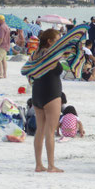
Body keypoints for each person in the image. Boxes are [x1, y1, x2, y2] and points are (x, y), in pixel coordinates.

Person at [30, 29, 65, 173]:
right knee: (50, 131)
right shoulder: (50, 54)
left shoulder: (35, 54)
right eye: (57, 39)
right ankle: (51, 165)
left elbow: (30, 72)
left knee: (40, 130)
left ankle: (39, 165)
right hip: (51, 93)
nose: (59, 42)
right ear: (50, 41)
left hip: (37, 92)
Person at [0, 14, 10, 79]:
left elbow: (1, 38)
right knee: (4, 60)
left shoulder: (2, 27)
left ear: (0, 20)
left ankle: (1, 74)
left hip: (2, 45)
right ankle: (4, 74)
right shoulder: (6, 26)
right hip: (6, 45)